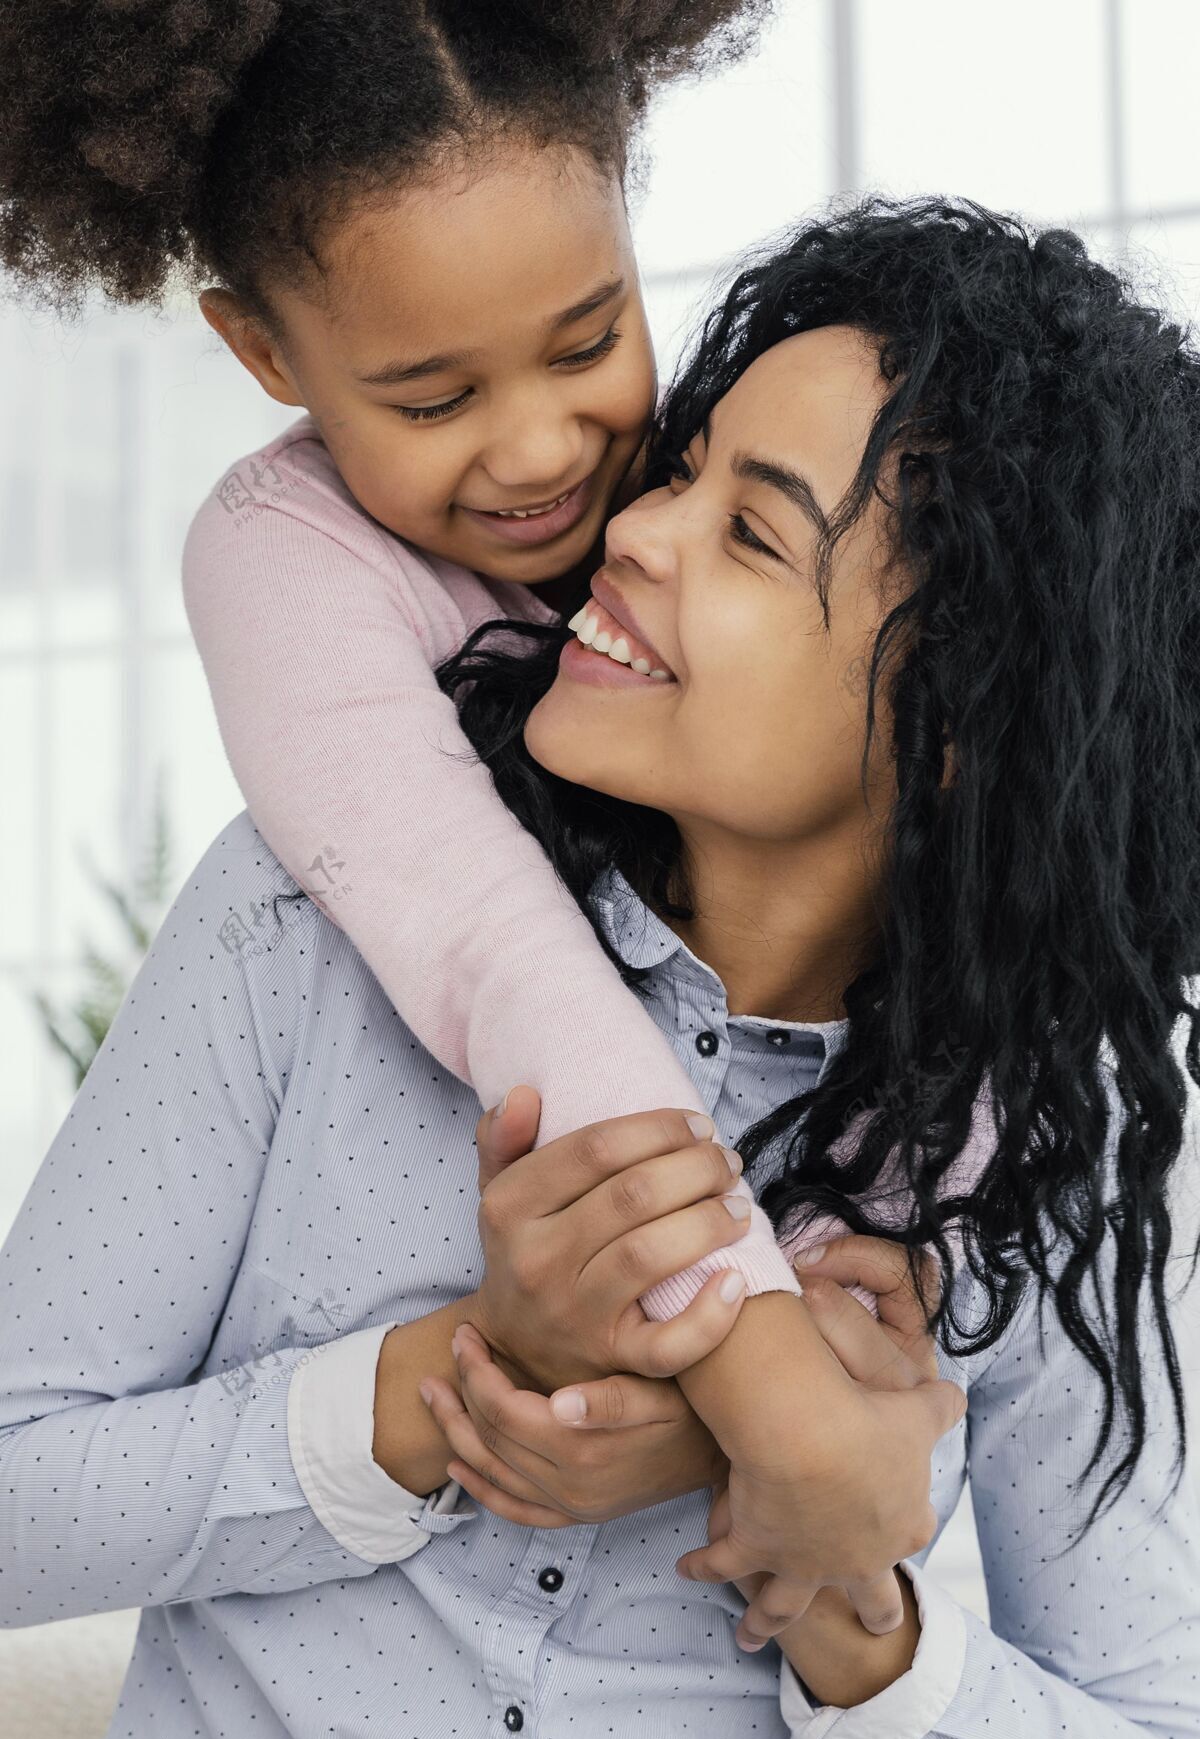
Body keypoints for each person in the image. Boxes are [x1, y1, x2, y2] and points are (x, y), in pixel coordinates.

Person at [1, 194, 1197, 1739]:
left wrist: (851, 1607)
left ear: (963, 721)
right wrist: (457, 1384)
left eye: (751, 533)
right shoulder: (303, 917)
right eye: (688, 469)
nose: (632, 529)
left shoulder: (1061, 1138)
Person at [0, 0, 940, 1644]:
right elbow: (478, 927)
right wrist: (755, 1366)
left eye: (589, 343)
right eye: (430, 400)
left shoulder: (699, 479)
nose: (544, 455)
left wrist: (880, 1313)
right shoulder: (282, 564)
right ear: (268, 358)